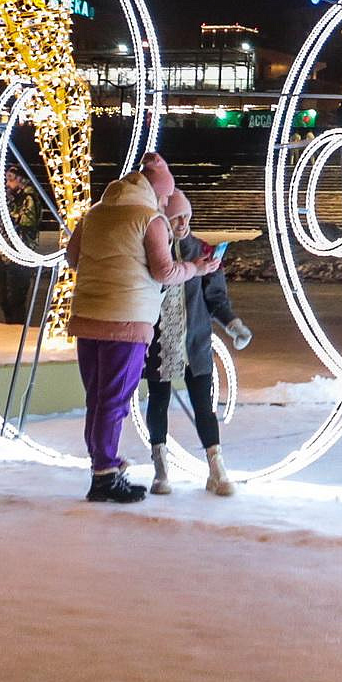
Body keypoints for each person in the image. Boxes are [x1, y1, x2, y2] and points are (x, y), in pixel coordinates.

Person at [63, 151, 215, 503]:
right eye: (164, 196)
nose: (165, 202)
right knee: (114, 400)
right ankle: (104, 477)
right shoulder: (151, 221)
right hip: (127, 320)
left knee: (97, 398)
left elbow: (73, 259)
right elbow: (165, 272)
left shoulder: (94, 215)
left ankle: (103, 467)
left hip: (87, 317)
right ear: (155, 192)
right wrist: (196, 268)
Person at [145, 202, 250, 497]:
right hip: (161, 338)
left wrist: (232, 324)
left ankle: (216, 468)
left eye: (187, 216)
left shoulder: (203, 250)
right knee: (159, 400)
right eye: (176, 216)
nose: (182, 222)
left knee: (204, 403)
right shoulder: (152, 251)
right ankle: (160, 467)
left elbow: (215, 298)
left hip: (196, 340)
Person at [0, 163, 47, 327]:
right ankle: (10, 328)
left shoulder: (29, 199)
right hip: (4, 255)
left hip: (19, 256)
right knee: (3, 298)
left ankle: (16, 331)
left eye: (11, 180)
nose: (7, 184)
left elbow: (27, 223)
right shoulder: (12, 199)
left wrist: (12, 213)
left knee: (15, 299)